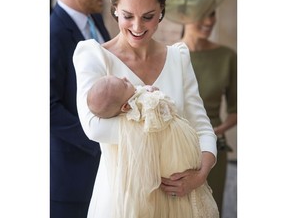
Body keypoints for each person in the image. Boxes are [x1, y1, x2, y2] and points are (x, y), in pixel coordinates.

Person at [73, 0, 218, 218]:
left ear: (162, 12)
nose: (137, 27)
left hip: (179, 198)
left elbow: (202, 125)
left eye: (148, 16)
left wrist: (200, 174)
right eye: (128, 16)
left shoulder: (178, 57)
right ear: (114, 8)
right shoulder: (93, 55)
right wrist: (167, 127)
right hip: (121, 199)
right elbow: (94, 127)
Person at [86, 75, 219, 217]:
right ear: (125, 107)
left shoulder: (132, 97)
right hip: (166, 175)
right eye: (124, 84)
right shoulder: (136, 110)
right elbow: (156, 111)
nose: (125, 78)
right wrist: (151, 96)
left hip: (187, 175)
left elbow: (202, 127)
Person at [166, 0, 238, 216]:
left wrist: (213, 133)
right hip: (173, 149)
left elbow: (237, 110)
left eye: (213, 13)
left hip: (213, 149)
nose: (209, 21)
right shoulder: (169, 56)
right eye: (203, 14)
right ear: (185, 17)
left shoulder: (227, 56)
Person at [50, 0, 111, 218]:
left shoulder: (97, 19)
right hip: (70, 176)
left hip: (105, 172)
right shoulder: (51, 34)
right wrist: (99, 140)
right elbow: (48, 107)